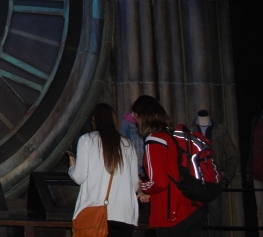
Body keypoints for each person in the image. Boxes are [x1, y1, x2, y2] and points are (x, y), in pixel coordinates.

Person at [133, 95, 205, 236]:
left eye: (136, 117)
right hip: (190, 206)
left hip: (173, 213)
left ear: (142, 116)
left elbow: (160, 182)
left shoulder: (154, 139)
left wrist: (142, 187)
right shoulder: (171, 135)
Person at [67, 103, 139, 237]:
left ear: (94, 119)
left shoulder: (87, 140)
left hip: (96, 212)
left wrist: (72, 167)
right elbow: (134, 184)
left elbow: (79, 177)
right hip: (125, 215)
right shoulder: (128, 144)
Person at [190, 109, 238, 235]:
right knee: (197, 218)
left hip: (214, 181)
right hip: (196, 181)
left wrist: (226, 176)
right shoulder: (189, 131)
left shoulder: (220, 130)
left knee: (215, 217)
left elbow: (232, 156)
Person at [246, 106, 263, 237]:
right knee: (260, 210)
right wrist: (249, 168)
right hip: (257, 172)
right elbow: (252, 146)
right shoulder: (256, 119)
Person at [120, 109, 145, 179]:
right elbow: (124, 147)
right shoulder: (125, 124)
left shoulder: (145, 124)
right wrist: (139, 171)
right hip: (133, 168)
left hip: (146, 168)